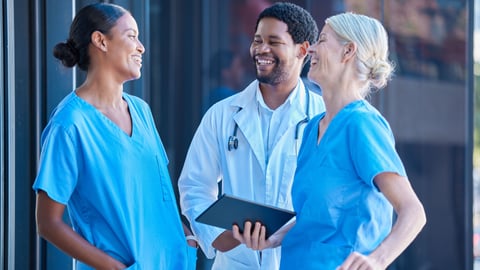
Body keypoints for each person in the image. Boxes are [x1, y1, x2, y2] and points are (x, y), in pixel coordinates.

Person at [232, 12, 427, 270]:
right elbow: (314, 220)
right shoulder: (313, 127)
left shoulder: (361, 124)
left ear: (348, 52)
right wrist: (275, 237)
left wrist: (377, 261)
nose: (311, 48)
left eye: (322, 40)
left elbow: (413, 212)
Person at [32, 3, 196, 269]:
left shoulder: (141, 111)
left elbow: (157, 191)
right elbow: (48, 223)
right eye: (131, 36)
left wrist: (185, 237)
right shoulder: (70, 124)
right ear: (101, 41)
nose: (141, 46)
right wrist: (114, 267)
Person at [178, 2, 325, 269]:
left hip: (298, 261)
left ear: (302, 50)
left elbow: (330, 199)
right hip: (235, 262)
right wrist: (218, 236)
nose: (261, 49)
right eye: (257, 40)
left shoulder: (324, 116)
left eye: (273, 41)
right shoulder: (222, 114)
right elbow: (195, 185)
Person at [202, 49, 245, 114]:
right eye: (238, 67)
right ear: (225, 73)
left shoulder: (211, 96)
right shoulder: (228, 98)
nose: (242, 71)